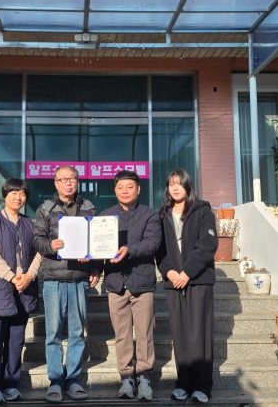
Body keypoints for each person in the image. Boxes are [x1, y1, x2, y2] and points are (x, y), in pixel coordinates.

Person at [32, 165, 100, 403]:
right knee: (53, 333)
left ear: (77, 181)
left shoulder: (89, 207)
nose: (68, 182)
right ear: (56, 183)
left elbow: (97, 240)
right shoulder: (45, 209)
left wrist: (95, 265)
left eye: (72, 178)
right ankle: (55, 380)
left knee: (76, 332)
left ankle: (72, 379)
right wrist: (50, 246)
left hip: (80, 278)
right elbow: (37, 240)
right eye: (63, 179)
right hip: (54, 279)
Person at [156, 168, 218, 403]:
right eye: (171, 184)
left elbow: (207, 245)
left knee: (199, 333)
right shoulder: (162, 214)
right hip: (174, 281)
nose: (175, 187)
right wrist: (168, 271)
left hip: (198, 280)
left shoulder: (202, 211)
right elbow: (159, 249)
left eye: (179, 183)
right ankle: (183, 384)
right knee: (180, 334)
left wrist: (187, 273)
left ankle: (202, 386)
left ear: (187, 186)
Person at [0, 178, 42, 405]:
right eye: (13, 193)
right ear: (5, 195)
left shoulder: (30, 223)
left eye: (22, 194)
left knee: (16, 341)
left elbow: (38, 253)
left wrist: (30, 275)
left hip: (23, 289)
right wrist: (11, 276)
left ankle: (11, 384)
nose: (18, 197)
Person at [100, 170, 162, 400]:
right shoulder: (105, 216)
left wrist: (129, 250)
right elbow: (98, 246)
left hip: (141, 282)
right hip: (115, 282)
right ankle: (126, 378)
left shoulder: (150, 215)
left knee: (145, 334)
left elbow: (152, 243)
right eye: (120, 187)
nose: (124, 191)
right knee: (122, 335)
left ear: (138, 189)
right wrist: (92, 260)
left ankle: (144, 378)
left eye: (129, 187)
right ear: (115, 190)